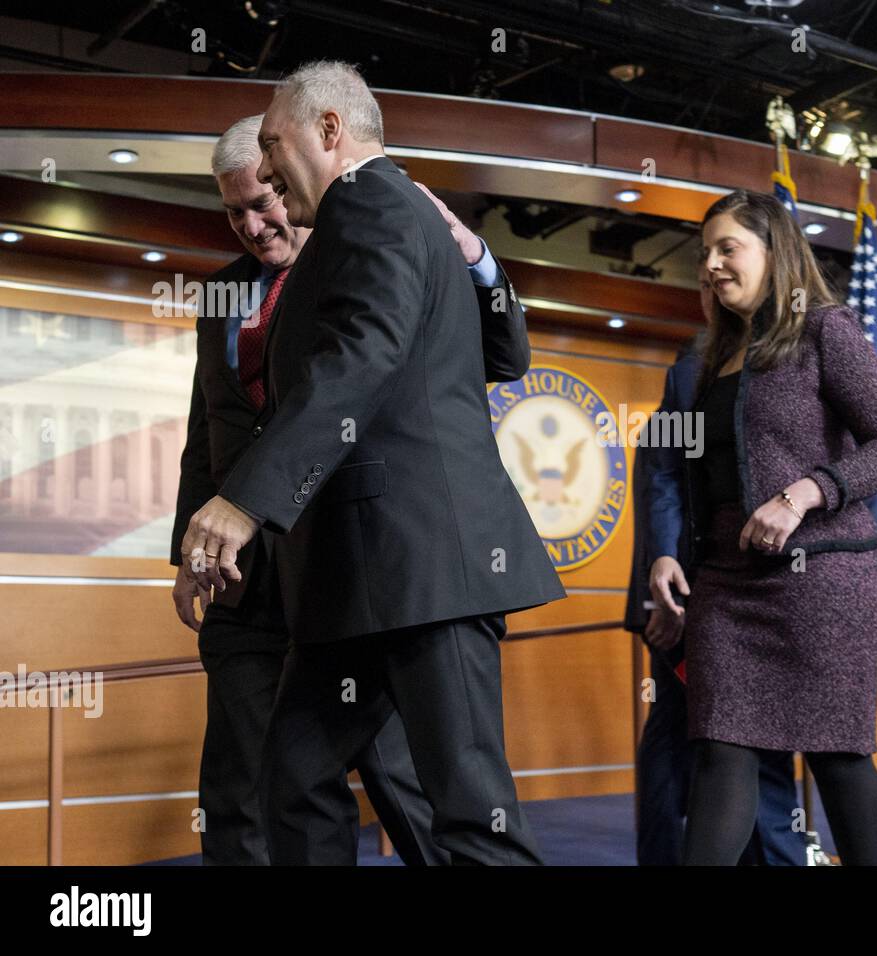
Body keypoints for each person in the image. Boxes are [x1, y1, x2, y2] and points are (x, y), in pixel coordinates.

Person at [179, 61, 566, 865]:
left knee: (470, 817)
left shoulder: (377, 204)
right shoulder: (366, 214)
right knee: (294, 773)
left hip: (427, 562)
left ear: (328, 131)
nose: (271, 173)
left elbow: (363, 357)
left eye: (275, 145)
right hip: (356, 572)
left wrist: (245, 502)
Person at [650, 190, 877, 866]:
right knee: (719, 752)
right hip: (726, 590)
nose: (709, 263)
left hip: (821, 581)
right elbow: (693, 475)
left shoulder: (826, 330)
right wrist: (668, 557)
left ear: (775, 252)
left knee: (837, 759)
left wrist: (805, 493)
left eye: (726, 247)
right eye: (704, 251)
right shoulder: (717, 356)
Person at [627, 277, 803, 867]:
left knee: (715, 744)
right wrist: (667, 600)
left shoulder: (768, 376)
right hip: (687, 601)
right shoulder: (688, 384)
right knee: (699, 743)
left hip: (724, 597)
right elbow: (666, 494)